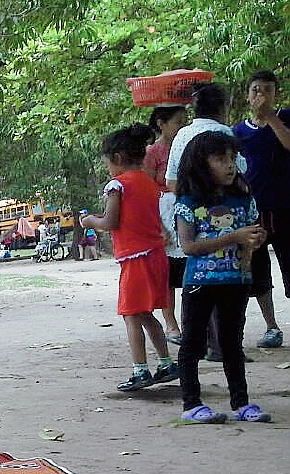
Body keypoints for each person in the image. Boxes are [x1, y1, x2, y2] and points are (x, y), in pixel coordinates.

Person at [166, 82, 280, 353]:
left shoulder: (183, 134)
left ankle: (205, 341)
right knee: (245, 277)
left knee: (198, 286)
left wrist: (192, 201)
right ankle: (253, 331)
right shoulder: (224, 133)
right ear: (222, 107)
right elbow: (240, 176)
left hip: (192, 219)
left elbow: (171, 181)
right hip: (230, 220)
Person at [173, 131, 272, 423]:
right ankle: (191, 403)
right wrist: (235, 236)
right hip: (201, 282)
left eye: (232, 158)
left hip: (237, 280)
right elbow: (189, 246)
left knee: (232, 344)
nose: (229, 165)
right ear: (201, 165)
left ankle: (241, 403)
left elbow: (254, 233)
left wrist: (255, 238)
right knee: (193, 343)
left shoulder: (242, 199)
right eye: (220, 159)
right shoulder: (189, 203)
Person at [80, 124, 177, 392]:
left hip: (135, 258)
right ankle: (167, 362)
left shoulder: (117, 186)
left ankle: (140, 369)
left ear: (117, 158)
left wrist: (89, 220)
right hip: (155, 254)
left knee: (131, 315)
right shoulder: (148, 182)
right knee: (146, 314)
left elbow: (111, 221)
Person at [234, 70, 290, 349]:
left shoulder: (286, 117)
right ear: (248, 95)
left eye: (267, 90)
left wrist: (271, 116)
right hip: (254, 209)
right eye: (256, 90)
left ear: (276, 94)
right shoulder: (239, 131)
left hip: (286, 207)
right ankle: (271, 326)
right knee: (258, 271)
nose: (261, 95)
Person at [144, 105, 189, 344]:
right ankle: (171, 324)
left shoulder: (187, 146)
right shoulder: (153, 152)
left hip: (186, 207)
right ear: (161, 123)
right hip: (163, 211)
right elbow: (148, 188)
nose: (182, 126)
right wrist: (158, 225)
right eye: (177, 121)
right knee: (168, 273)